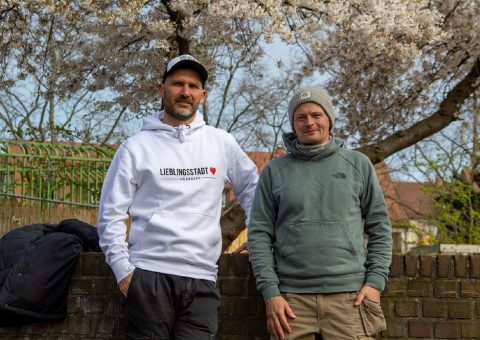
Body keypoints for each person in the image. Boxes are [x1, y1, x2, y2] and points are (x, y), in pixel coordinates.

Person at [97, 54, 258, 339]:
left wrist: (257, 238)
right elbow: (110, 213)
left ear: (203, 95)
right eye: (177, 84)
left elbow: (252, 189)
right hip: (149, 274)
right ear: (162, 89)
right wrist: (123, 270)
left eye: (193, 86)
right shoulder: (135, 147)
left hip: (202, 278)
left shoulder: (221, 142)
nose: (186, 92)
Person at [248, 86, 392, 340]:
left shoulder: (358, 165)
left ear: (329, 119)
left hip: (350, 298)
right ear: (293, 123)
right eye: (300, 117)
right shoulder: (274, 171)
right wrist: (271, 293)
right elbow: (259, 235)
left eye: (316, 114)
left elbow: (380, 227)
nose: (309, 122)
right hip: (290, 301)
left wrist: (374, 283)